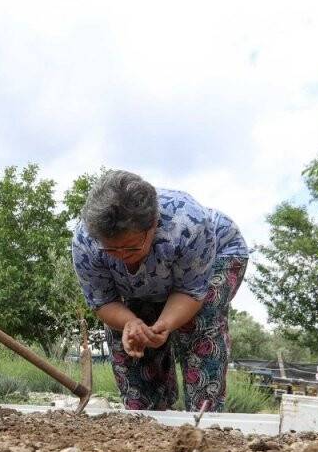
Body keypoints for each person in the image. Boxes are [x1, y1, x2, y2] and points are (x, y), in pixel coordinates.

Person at [71, 170, 250, 412]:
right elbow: (103, 300)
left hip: (217, 253)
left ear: (154, 224)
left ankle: (204, 418)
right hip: (154, 278)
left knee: (199, 324)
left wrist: (165, 324)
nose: (122, 257)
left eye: (131, 248)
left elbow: (191, 291)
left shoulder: (188, 224)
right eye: (111, 250)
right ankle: (147, 415)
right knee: (132, 334)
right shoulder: (86, 241)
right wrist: (131, 323)